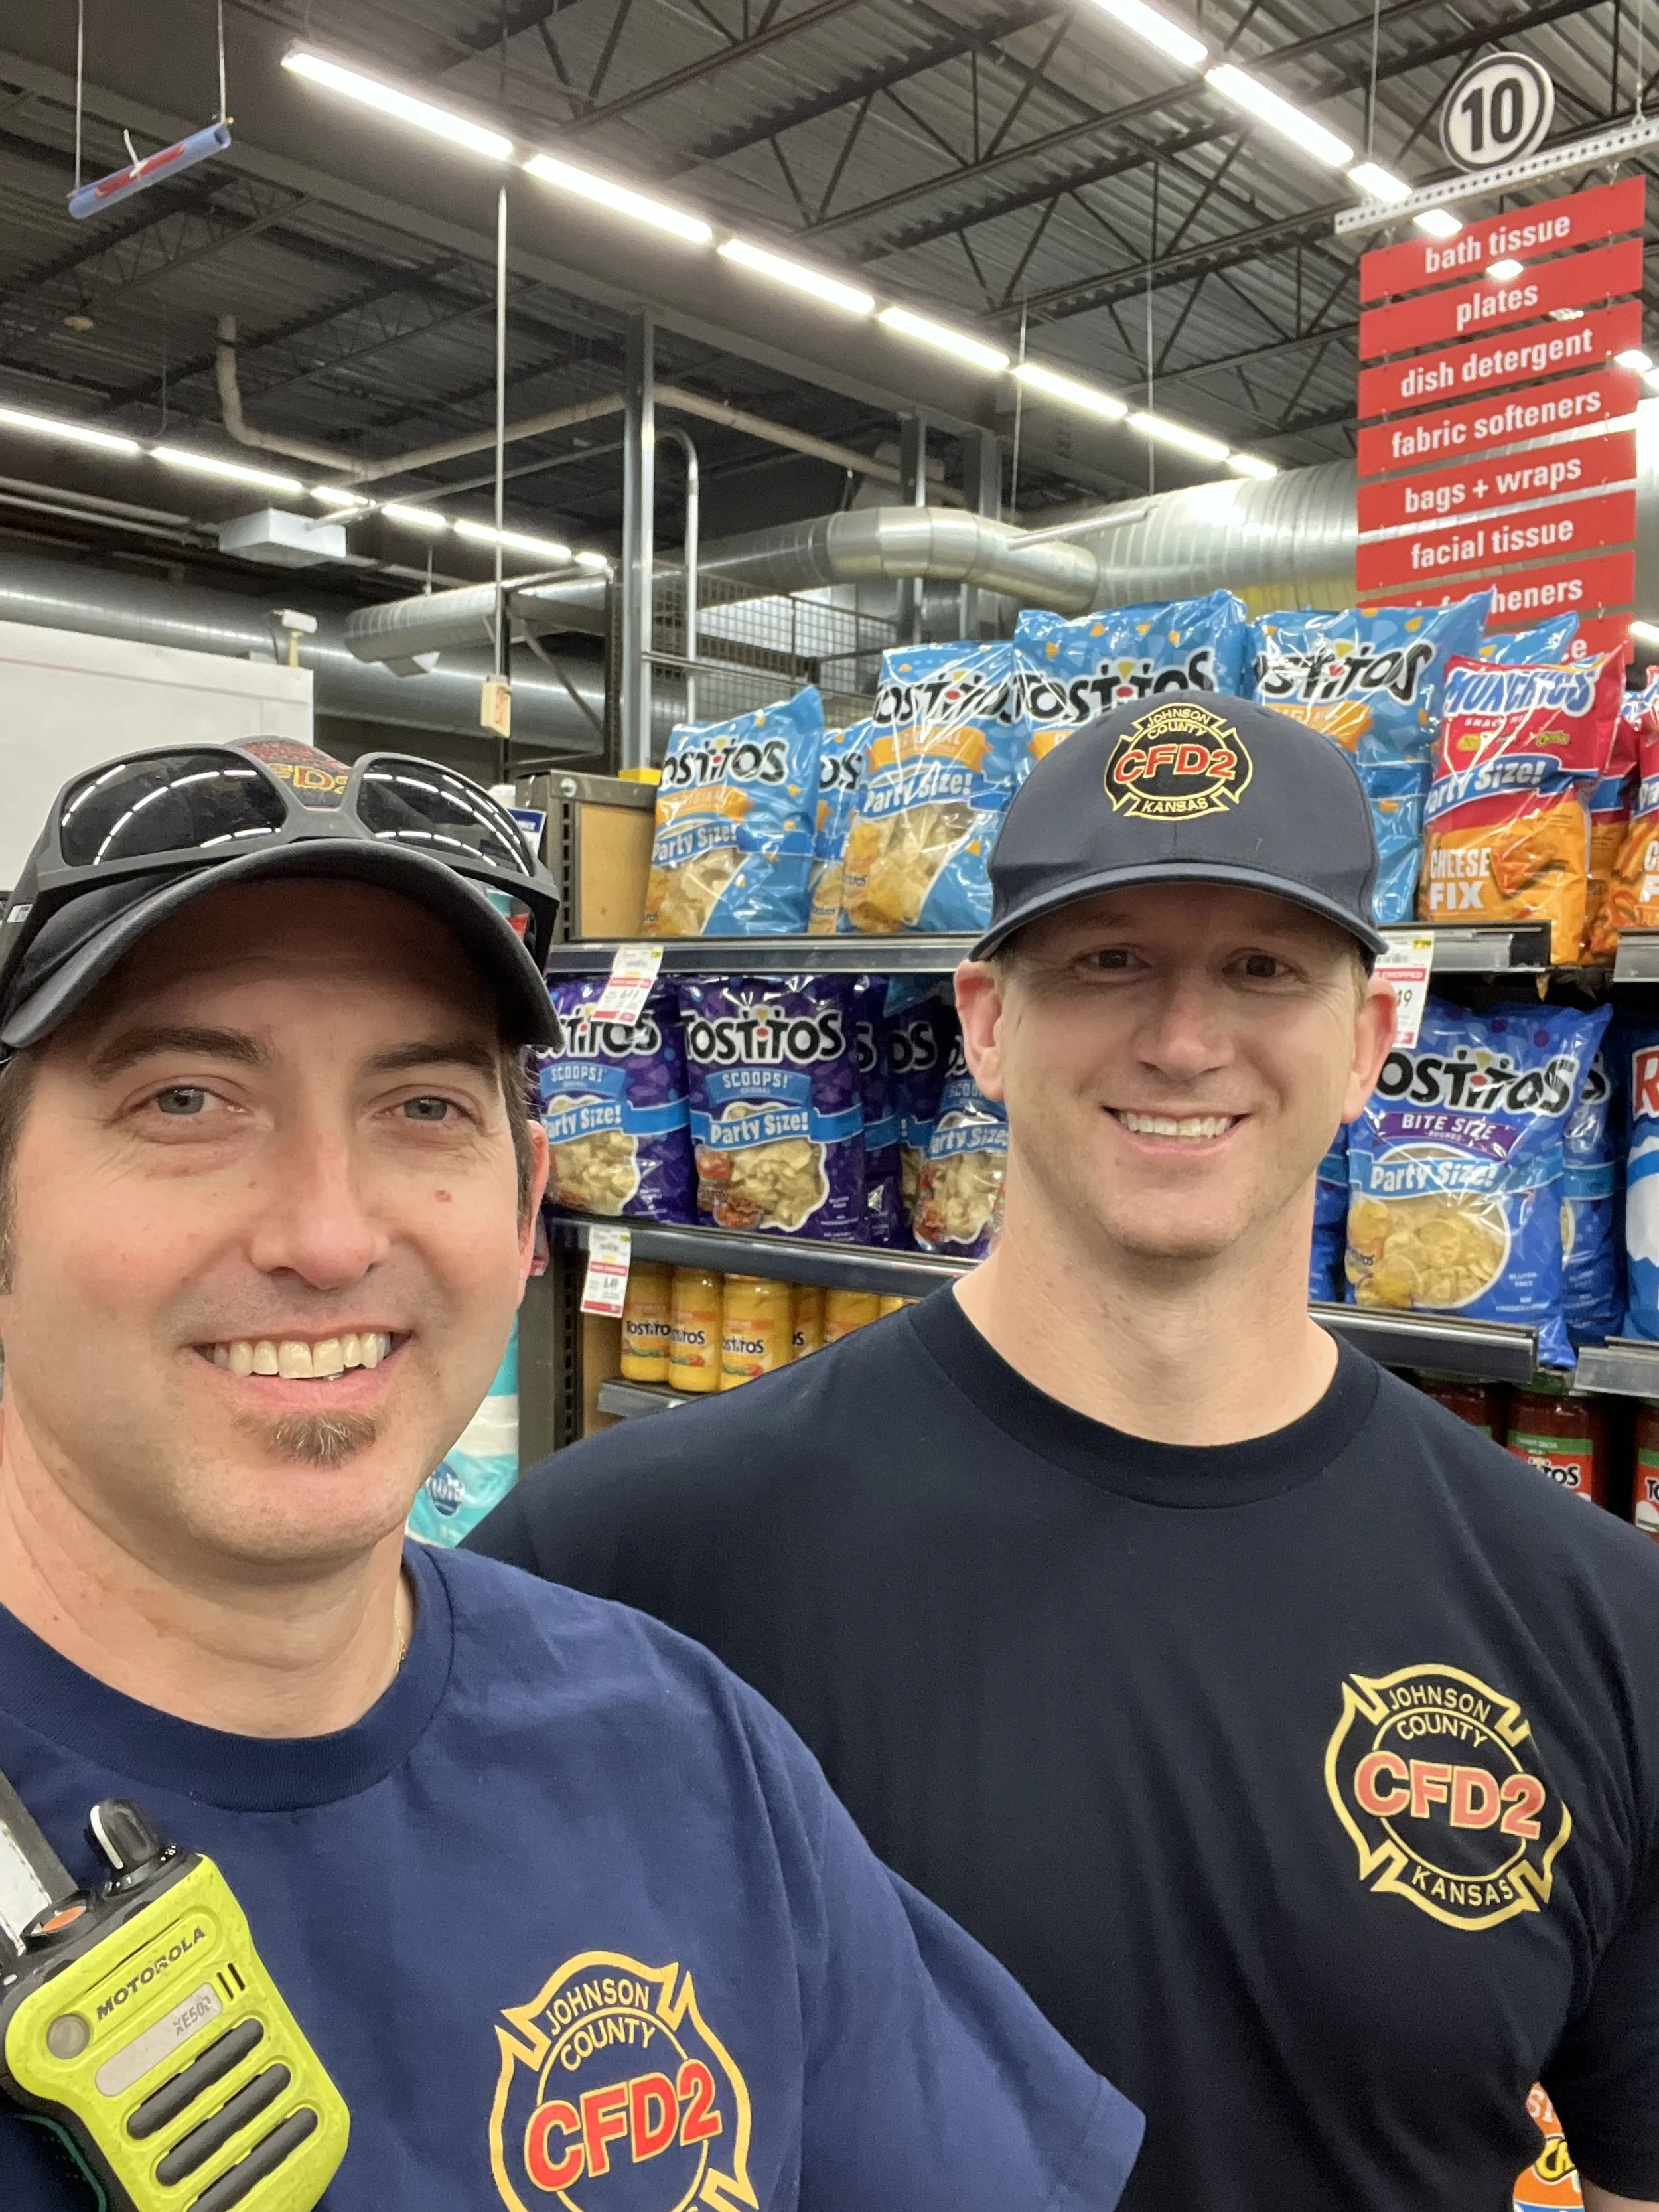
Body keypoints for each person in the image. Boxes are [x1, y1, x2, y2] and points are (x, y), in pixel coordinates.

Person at [472, 692, 1659, 2212]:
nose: (1180, 1038)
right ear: (982, 1019)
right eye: (1107, 962)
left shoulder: (1590, 1614)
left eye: (1260, 967)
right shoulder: (622, 1561)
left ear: (1367, 1038)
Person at [0, 738, 1143, 2211]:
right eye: (184, 1102)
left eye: (423, 1108)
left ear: (528, 1206)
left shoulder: (682, 1751)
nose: (329, 1235)